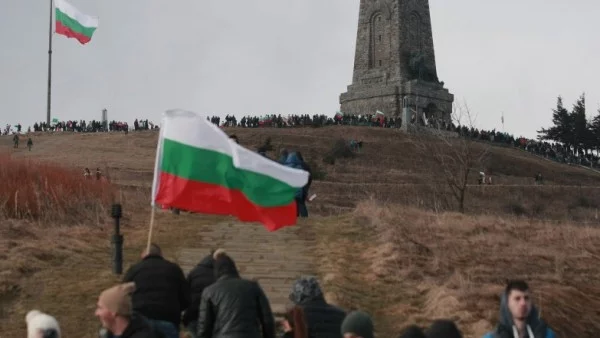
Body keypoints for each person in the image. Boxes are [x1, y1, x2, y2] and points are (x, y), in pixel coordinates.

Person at [197, 249, 275, 338]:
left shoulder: (209, 291)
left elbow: (204, 326)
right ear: (234, 268)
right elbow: (267, 319)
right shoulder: (253, 287)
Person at [122, 243, 190, 338]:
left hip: (140, 320)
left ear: (143, 255)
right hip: (168, 319)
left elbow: (123, 294)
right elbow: (186, 298)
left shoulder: (134, 269)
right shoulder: (174, 269)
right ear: (161, 254)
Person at [483, 280, 556, 338]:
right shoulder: (492, 337)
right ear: (507, 303)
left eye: (526, 298)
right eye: (517, 299)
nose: (523, 303)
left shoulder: (547, 335)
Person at [95, 282, 164, 338]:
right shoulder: (107, 332)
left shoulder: (144, 335)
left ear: (114, 311)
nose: (96, 313)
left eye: (100, 308)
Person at [182, 251, 217, 336]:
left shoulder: (194, 271)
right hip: (213, 317)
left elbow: (185, 293)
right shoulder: (220, 274)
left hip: (194, 314)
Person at [283, 152, 312, 218]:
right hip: (298, 190)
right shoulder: (300, 167)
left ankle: (292, 216)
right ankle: (304, 217)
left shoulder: (285, 167)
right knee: (301, 204)